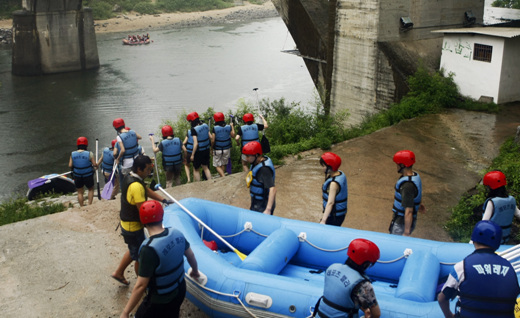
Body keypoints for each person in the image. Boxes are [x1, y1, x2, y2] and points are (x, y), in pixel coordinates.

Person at [120, 200, 200, 318]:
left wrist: (125, 312)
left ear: (143, 222)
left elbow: (141, 285)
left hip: (160, 300)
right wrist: (195, 271)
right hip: (180, 289)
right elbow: (191, 255)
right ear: (162, 216)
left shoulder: (149, 249)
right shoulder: (176, 232)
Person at [438, 220, 520, 318]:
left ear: (474, 239)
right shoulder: (510, 268)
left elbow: (442, 298)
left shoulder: (462, 266)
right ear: (498, 243)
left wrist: (449, 315)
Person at [111, 155, 170, 286]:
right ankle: (143, 284)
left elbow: (147, 190)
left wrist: (163, 199)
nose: (149, 172)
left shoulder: (132, 177)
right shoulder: (136, 186)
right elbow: (143, 212)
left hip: (127, 224)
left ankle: (119, 272)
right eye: (148, 169)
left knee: (134, 249)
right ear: (139, 169)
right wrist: (154, 229)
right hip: (133, 227)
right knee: (140, 257)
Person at [314, 238, 381, 318]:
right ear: (365, 264)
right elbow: (376, 314)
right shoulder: (364, 285)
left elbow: (342, 295)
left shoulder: (332, 268)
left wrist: (363, 308)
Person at [388, 150, 425, 236]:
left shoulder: (407, 186)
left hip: (401, 222)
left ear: (402, 165)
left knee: (395, 242)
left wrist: (406, 232)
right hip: (402, 220)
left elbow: (409, 211)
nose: (396, 166)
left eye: (397, 164)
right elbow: (417, 192)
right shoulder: (414, 175)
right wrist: (420, 203)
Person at [481, 170, 520, 244]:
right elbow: (518, 214)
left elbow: (483, 223)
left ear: (491, 187)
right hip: (504, 239)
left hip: (491, 240)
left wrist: (472, 241)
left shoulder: (491, 202)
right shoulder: (511, 199)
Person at [242, 141, 276, 214]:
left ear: (256, 155)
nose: (246, 158)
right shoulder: (255, 163)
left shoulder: (264, 170)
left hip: (263, 204)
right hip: (256, 202)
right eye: (245, 156)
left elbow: (272, 189)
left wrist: (268, 209)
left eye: (248, 156)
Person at [320, 152, 348, 226]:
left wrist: (323, 221)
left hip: (334, 216)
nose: (322, 168)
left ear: (329, 167)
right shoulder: (341, 174)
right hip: (340, 215)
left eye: (323, 166)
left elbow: (330, 203)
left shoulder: (334, 184)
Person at [68, 137, 97, 206]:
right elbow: (94, 164)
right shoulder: (89, 154)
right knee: (90, 189)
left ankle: (81, 206)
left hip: (77, 175)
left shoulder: (72, 154)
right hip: (88, 175)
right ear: (86, 145)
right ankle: (89, 204)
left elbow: (70, 165)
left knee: (80, 192)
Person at [185, 112, 211, 182]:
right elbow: (210, 137)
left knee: (196, 169)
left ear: (191, 121)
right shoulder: (205, 125)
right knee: (205, 167)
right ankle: (210, 182)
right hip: (206, 149)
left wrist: (192, 155)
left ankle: (198, 185)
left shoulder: (193, 129)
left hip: (198, 152)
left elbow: (195, 143)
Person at [210, 112, 235, 177]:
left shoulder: (215, 128)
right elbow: (233, 135)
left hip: (217, 149)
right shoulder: (228, 127)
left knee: (217, 165)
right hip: (226, 148)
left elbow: (213, 140)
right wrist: (232, 126)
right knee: (223, 163)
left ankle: (223, 176)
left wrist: (211, 148)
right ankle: (222, 176)